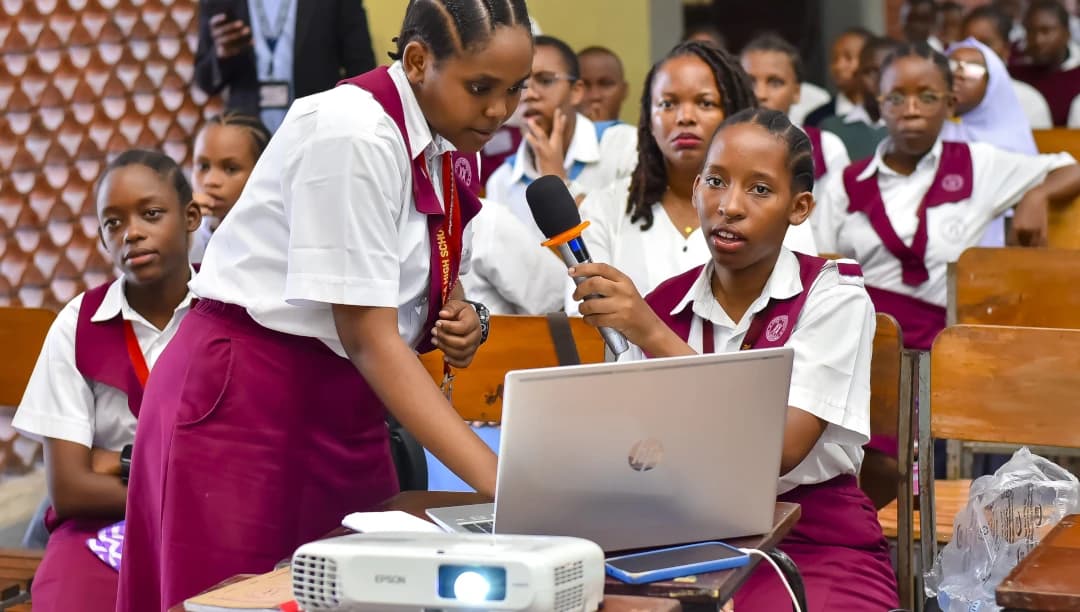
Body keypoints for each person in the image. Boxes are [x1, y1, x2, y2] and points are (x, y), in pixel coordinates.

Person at [116, 1, 535, 609]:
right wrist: (507, 486)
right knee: (239, 597)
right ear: (418, 61)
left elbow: (428, 267)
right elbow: (368, 336)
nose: (499, 110)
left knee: (361, 592)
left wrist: (465, 314)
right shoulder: (353, 131)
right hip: (246, 397)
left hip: (343, 399)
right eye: (481, 87)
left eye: (514, 89)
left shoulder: (450, 136)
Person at [568, 108, 899, 611]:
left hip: (811, 534)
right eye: (716, 182)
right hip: (680, 527)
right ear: (696, 189)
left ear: (799, 207)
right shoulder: (662, 304)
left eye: (760, 189)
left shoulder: (833, 297)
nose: (730, 206)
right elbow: (630, 449)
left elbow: (780, 447)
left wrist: (653, 335)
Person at [13, 150, 201, 612]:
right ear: (101, 237)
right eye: (113, 224)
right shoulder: (77, 324)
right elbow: (71, 490)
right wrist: (175, 480)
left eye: (150, 214)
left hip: (209, 526)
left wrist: (111, 461)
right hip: (100, 526)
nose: (131, 233)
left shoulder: (229, 314)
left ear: (190, 217)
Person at [815, 42, 1080, 351]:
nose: (911, 110)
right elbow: (819, 270)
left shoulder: (977, 164)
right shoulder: (845, 183)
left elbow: (1070, 167)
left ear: (950, 104)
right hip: (865, 349)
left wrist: (1038, 195)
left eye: (927, 97)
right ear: (880, 103)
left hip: (945, 351)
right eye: (896, 98)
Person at [564, 41, 760, 313]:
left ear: (734, 114)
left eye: (705, 103)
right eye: (668, 104)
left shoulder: (771, 207)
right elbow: (584, 316)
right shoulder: (603, 209)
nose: (685, 117)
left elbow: (796, 312)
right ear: (649, 119)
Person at [486, 35, 637, 241]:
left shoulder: (625, 145)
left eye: (545, 80)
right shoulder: (501, 181)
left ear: (576, 91)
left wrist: (560, 181)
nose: (529, 94)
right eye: (517, 86)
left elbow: (632, 235)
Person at [194, 0, 377, 132]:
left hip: (317, 132)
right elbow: (205, 81)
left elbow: (362, 70)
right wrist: (220, 56)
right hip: (246, 139)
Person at [946, 38, 1040, 246]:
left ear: (992, 81)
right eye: (950, 66)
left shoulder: (1011, 136)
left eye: (972, 69)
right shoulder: (928, 130)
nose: (958, 75)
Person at [740, 33, 850, 187]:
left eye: (775, 83)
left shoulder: (826, 148)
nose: (760, 94)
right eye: (749, 82)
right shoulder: (718, 148)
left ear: (796, 92)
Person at [188, 112, 271, 263]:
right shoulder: (184, 230)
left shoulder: (274, 239)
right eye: (203, 167)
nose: (211, 181)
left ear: (261, 171)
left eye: (231, 169)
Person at [963, 4, 1054, 128]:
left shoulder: (1029, 101)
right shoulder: (950, 100)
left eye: (986, 44)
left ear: (1006, 49)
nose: (975, 51)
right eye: (967, 43)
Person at [819, 36, 899, 162]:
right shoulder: (830, 129)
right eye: (871, 72)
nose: (881, 81)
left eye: (890, 73)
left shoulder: (913, 129)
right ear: (857, 76)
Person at [1010, 0, 1080, 126]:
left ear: (1067, 33)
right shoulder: (1014, 72)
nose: (1038, 40)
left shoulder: (1076, 75)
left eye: (1046, 31)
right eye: (1030, 31)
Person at [804, 28, 872, 127]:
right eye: (834, 58)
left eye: (848, 58)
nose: (838, 66)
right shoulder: (817, 119)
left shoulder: (886, 114)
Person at [576, 46, 629, 123]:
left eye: (606, 84)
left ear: (624, 91)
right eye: (584, 85)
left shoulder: (635, 131)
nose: (595, 96)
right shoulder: (558, 130)